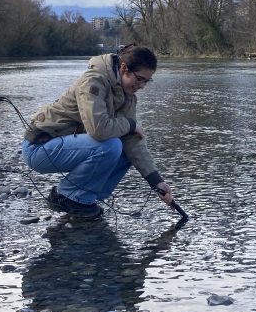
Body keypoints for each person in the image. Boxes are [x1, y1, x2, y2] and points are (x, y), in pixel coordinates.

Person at [21, 44, 174, 217]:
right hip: (39, 148)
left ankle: (85, 198)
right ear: (124, 68)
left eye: (147, 81)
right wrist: (130, 125)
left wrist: (156, 181)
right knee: (112, 145)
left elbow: (132, 141)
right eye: (140, 79)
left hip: (62, 147)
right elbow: (98, 130)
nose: (142, 85)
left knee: (126, 151)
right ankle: (65, 196)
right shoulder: (93, 81)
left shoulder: (128, 96)